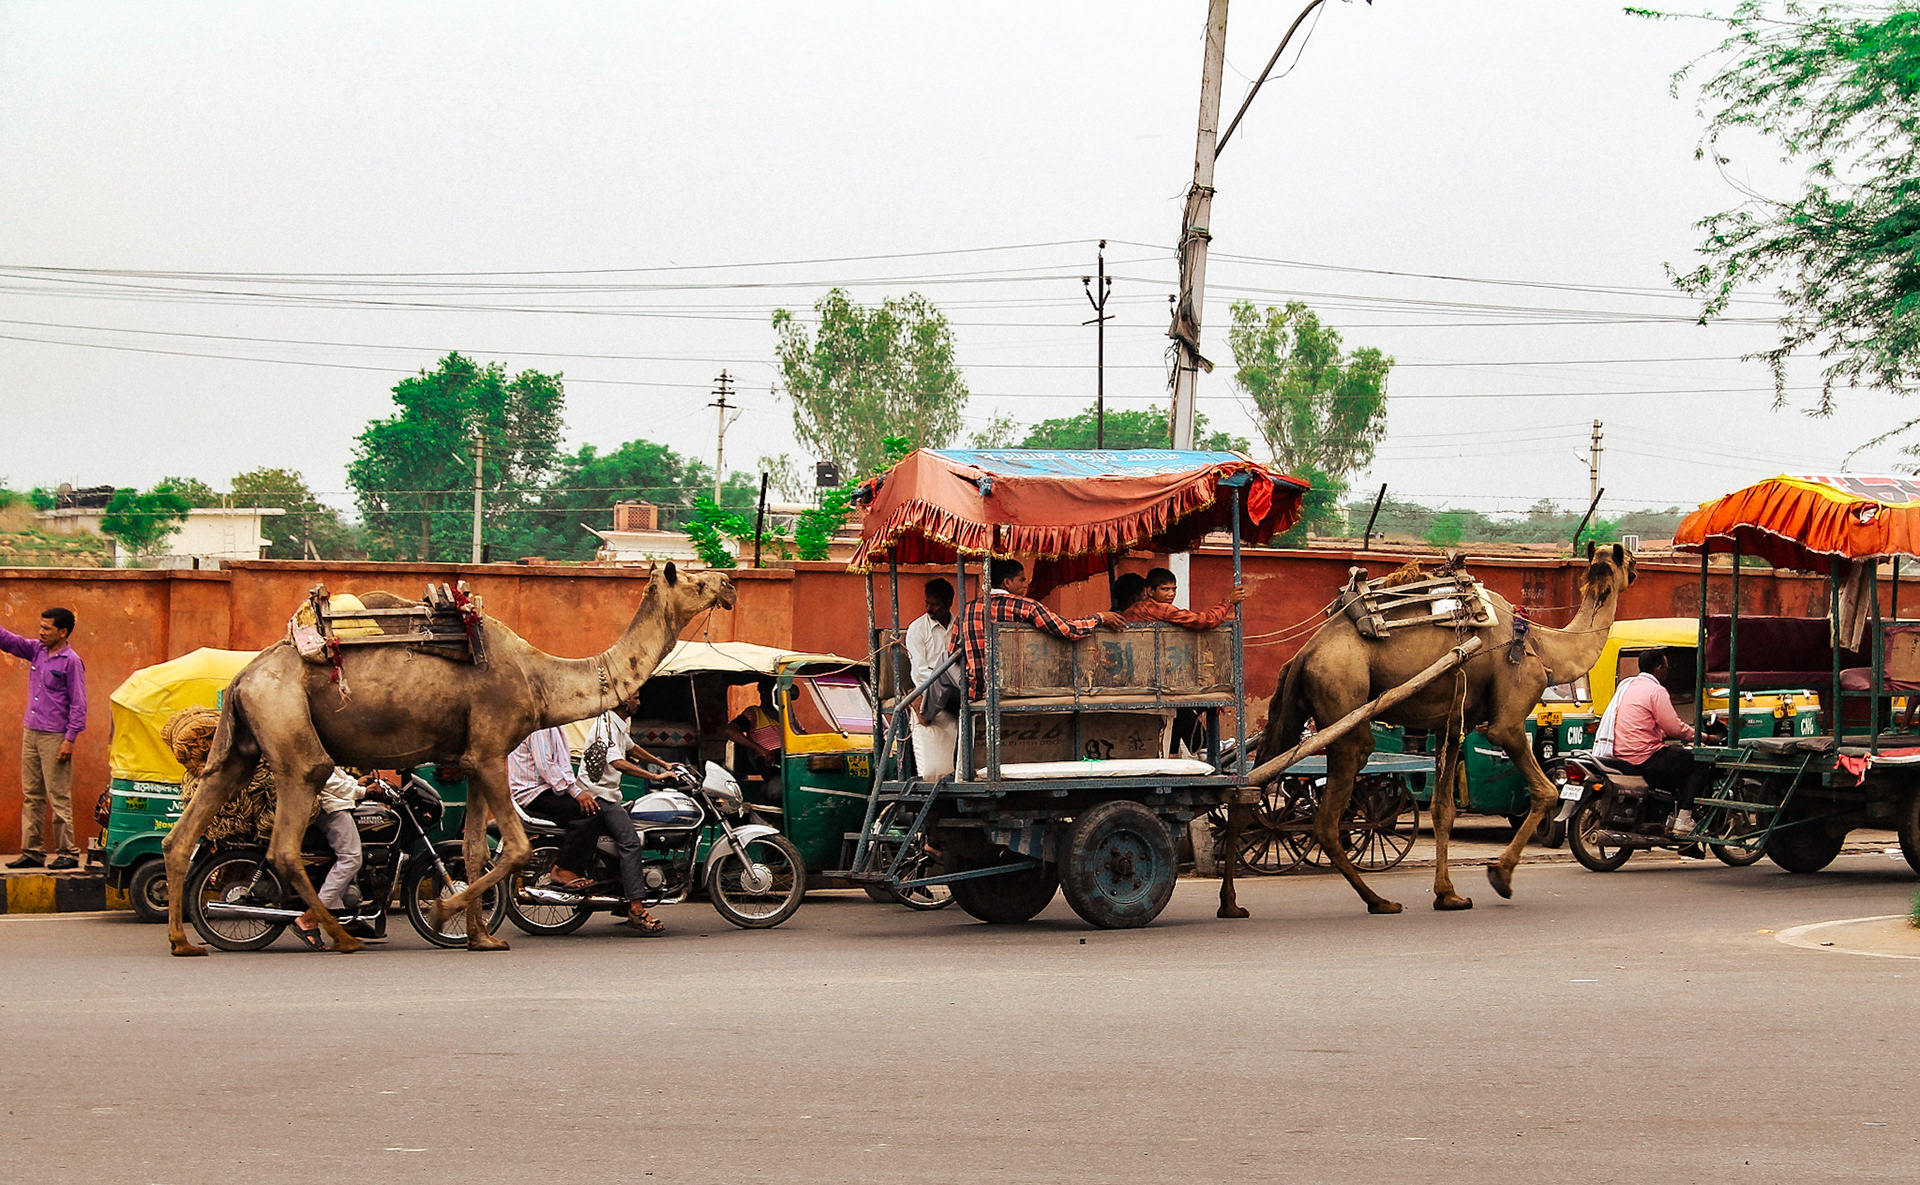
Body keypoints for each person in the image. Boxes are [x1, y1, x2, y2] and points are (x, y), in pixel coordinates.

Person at [509, 723, 661, 934]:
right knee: (592, 814)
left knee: (603, 826)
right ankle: (562, 869)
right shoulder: (541, 727)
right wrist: (576, 792)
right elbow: (546, 766)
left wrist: (661, 764)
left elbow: (562, 766)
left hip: (548, 789)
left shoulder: (557, 727)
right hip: (534, 792)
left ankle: (620, 892)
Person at [951, 558, 1127, 701]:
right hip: (1016, 693)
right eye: (1021, 579)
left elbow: (953, 653)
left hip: (976, 693)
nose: (1026, 584)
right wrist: (1100, 618)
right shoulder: (1025, 606)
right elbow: (1067, 629)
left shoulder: (966, 610)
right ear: (1007, 582)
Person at [3, 607, 87, 870]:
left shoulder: (71, 661)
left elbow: (79, 704)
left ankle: (68, 852)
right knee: (32, 795)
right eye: (41, 627)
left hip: (55, 736)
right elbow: (10, 642)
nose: (41, 632)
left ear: (63, 632)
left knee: (58, 795)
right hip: (31, 731)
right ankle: (32, 851)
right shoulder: (36, 650)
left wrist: (69, 739)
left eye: (47, 628)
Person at [1597, 647, 1710, 833]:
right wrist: (1704, 737)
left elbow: (1641, 723)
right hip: (1643, 757)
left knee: (1675, 758)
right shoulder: (1656, 691)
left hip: (1620, 754)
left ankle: (1668, 811)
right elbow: (1675, 728)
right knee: (1699, 762)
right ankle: (1684, 818)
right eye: (1666, 667)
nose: (1667, 671)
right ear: (1658, 668)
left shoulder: (1628, 686)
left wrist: (1660, 733)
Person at [292, 768, 379, 949]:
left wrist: (356, 782)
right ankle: (311, 917)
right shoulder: (309, 751)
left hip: (335, 803)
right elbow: (325, 779)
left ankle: (343, 917)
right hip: (330, 807)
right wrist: (361, 791)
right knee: (351, 858)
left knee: (347, 858)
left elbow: (333, 771)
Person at [904, 577, 959, 780]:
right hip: (929, 686)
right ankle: (926, 710)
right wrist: (940, 685)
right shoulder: (917, 629)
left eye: (935, 604)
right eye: (927, 603)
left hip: (955, 686)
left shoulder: (959, 625)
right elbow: (919, 671)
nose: (929, 609)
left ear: (948, 603)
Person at [1121, 566, 1247, 629]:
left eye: (1174, 589)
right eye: (1165, 589)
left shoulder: (1137, 607)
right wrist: (1228, 602)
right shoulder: (1160, 609)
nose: (1171, 594)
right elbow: (1206, 620)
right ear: (1150, 591)